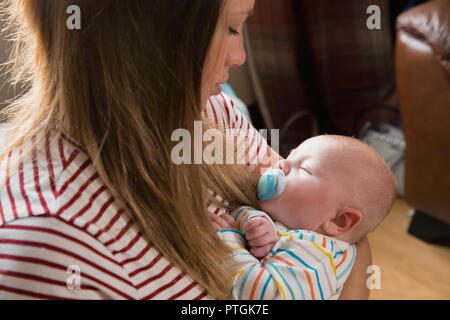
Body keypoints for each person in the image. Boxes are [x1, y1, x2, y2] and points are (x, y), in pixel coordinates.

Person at [0, 0, 370, 300]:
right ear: (142, 37)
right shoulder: (52, 248)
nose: (238, 55)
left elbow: (339, 225)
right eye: (228, 28)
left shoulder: (210, 113)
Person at [211, 135, 396, 299]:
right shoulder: (298, 230)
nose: (281, 164)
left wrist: (228, 244)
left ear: (338, 220)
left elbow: (262, 294)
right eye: (289, 157)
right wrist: (257, 223)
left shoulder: (318, 257)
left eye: (304, 169)